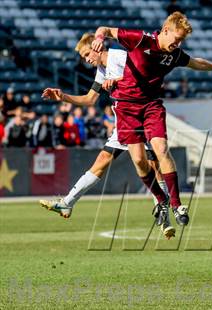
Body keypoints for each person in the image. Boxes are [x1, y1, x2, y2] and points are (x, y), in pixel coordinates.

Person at [91, 12, 212, 227]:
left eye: (181, 41)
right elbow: (105, 29)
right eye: (176, 39)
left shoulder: (175, 54)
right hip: (126, 108)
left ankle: (177, 204)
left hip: (151, 106)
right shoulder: (140, 39)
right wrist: (98, 38)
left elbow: (196, 63)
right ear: (165, 31)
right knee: (140, 160)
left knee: (161, 148)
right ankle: (161, 199)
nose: (178, 44)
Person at [40, 33, 175, 239]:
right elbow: (89, 99)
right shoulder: (102, 69)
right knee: (102, 160)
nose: (86, 59)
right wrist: (63, 96)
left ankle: (164, 217)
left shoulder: (119, 57)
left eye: (87, 54)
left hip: (140, 115)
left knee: (154, 165)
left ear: (96, 48)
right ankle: (67, 203)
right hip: (124, 122)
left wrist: (117, 80)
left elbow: (145, 76)